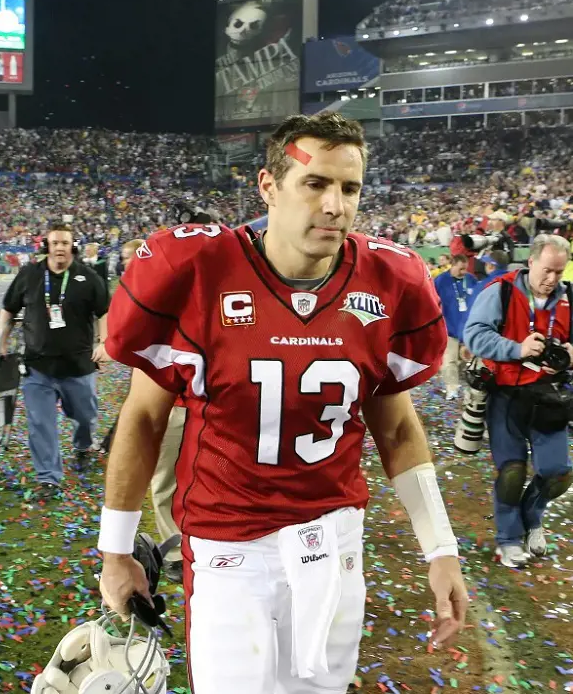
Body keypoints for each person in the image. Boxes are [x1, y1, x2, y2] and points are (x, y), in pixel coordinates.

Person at [98, 112, 468, 694]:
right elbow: (144, 418)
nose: (335, 204)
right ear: (269, 187)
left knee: (320, 688)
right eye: (315, 182)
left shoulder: (388, 281)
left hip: (333, 536)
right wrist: (115, 551)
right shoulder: (201, 272)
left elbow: (396, 429)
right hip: (226, 540)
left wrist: (440, 549)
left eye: (350, 188)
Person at [463, 234, 573, 568]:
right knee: (511, 473)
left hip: (550, 398)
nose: (552, 279)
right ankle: (509, 539)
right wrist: (517, 349)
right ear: (530, 262)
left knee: (557, 474)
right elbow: (474, 335)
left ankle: (533, 519)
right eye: (546, 270)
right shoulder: (501, 290)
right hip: (506, 396)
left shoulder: (569, 299)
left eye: (559, 271)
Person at [0, 225, 110, 501]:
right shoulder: (29, 274)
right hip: (38, 366)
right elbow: (8, 309)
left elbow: (104, 312)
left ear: (73, 246)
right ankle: (49, 478)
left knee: (85, 417)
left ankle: (83, 446)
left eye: (65, 243)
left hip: (78, 365)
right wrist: (2, 341)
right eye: (55, 242)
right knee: (40, 423)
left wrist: (105, 343)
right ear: (46, 244)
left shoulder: (88, 276)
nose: (60, 247)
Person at [101, 236, 186, 583]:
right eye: (125, 257)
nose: (130, 262)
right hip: (168, 404)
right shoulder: (136, 296)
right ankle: (176, 551)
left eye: (135, 256)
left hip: (200, 404)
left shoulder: (181, 291)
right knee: (165, 479)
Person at [435, 255, 477, 400]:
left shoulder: (471, 279)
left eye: (465, 268)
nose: (464, 272)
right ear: (452, 265)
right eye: (461, 269)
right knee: (449, 360)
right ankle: (451, 388)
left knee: (468, 361)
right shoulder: (440, 281)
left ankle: (466, 387)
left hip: (468, 330)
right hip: (449, 328)